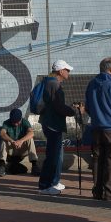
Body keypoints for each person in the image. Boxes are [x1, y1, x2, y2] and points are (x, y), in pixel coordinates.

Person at [38, 59, 81, 196]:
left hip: (51, 123)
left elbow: (56, 106)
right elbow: (59, 107)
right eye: (67, 70)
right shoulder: (54, 85)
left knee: (55, 155)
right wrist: (73, 110)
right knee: (53, 156)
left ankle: (52, 182)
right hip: (53, 124)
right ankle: (46, 185)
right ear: (61, 71)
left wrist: (68, 109)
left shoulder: (50, 83)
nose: (68, 72)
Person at [85, 56, 111, 200]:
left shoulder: (92, 84)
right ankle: (110, 191)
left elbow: (88, 107)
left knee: (97, 159)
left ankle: (98, 190)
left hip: (96, 127)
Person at [0, 108, 38, 176]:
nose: (15, 124)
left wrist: (21, 141)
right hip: (11, 149)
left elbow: (31, 133)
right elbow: (2, 133)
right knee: (4, 141)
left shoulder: (25, 122)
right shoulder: (6, 123)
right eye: (13, 122)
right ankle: (2, 166)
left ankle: (34, 166)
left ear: (21, 119)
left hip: (22, 149)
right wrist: (11, 141)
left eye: (17, 122)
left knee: (30, 139)